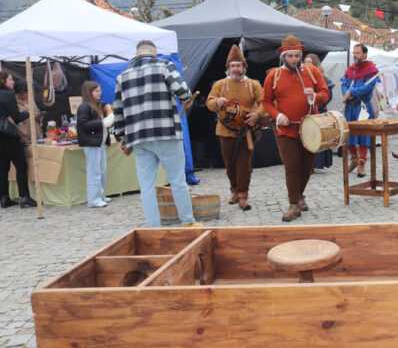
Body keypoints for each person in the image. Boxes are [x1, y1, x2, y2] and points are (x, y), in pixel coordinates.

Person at [113, 40, 198, 227]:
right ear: (154, 52)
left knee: (147, 186)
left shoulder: (122, 77)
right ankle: (188, 222)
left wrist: (122, 138)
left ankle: (153, 227)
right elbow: (184, 93)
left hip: (138, 138)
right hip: (166, 132)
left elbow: (118, 111)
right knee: (177, 181)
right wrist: (186, 99)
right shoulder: (164, 65)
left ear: (137, 54)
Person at [262, 35, 329, 222]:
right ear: (283, 56)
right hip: (286, 129)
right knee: (292, 166)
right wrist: (277, 115)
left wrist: (315, 96)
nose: (294, 59)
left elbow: (325, 93)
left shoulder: (312, 71)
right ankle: (293, 204)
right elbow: (266, 101)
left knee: (307, 167)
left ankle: (299, 195)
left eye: (297, 56)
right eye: (290, 56)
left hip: (310, 128)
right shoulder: (274, 75)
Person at [205, 45, 263, 211]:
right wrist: (217, 102)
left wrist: (256, 114)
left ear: (244, 67)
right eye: (233, 66)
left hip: (246, 131)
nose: (236, 68)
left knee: (244, 165)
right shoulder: (220, 84)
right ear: (228, 68)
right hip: (225, 130)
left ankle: (243, 195)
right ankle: (234, 190)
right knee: (229, 164)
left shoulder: (253, 84)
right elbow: (209, 102)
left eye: (239, 65)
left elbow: (264, 103)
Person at [341, 43, 380, 177]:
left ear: (364, 54)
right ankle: (354, 159)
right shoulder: (350, 69)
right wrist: (346, 93)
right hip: (350, 107)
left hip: (363, 107)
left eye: (357, 53)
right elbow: (344, 83)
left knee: (364, 136)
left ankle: (361, 164)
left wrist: (351, 92)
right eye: (354, 53)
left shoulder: (371, 70)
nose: (355, 55)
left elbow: (367, 88)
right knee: (349, 134)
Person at [0, 70, 35, 209]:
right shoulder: (8, 94)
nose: (13, 82)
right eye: (10, 79)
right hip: (9, 135)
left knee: (3, 168)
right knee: (21, 166)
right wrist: (28, 113)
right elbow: (16, 117)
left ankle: (4, 198)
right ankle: (24, 197)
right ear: (3, 81)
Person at [77, 81, 114, 208]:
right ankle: (94, 200)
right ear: (89, 92)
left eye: (100, 90)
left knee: (102, 171)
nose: (100, 93)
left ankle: (101, 195)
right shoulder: (84, 107)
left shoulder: (97, 105)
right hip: (91, 143)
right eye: (96, 91)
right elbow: (83, 125)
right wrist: (103, 122)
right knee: (94, 172)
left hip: (100, 143)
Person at [304, 53, 335, 172]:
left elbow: (327, 96)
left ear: (315, 64)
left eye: (310, 62)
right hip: (307, 113)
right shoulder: (302, 77)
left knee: (318, 138)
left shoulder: (323, 78)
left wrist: (317, 102)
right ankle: (308, 164)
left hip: (319, 113)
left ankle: (317, 164)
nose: (307, 65)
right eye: (305, 62)